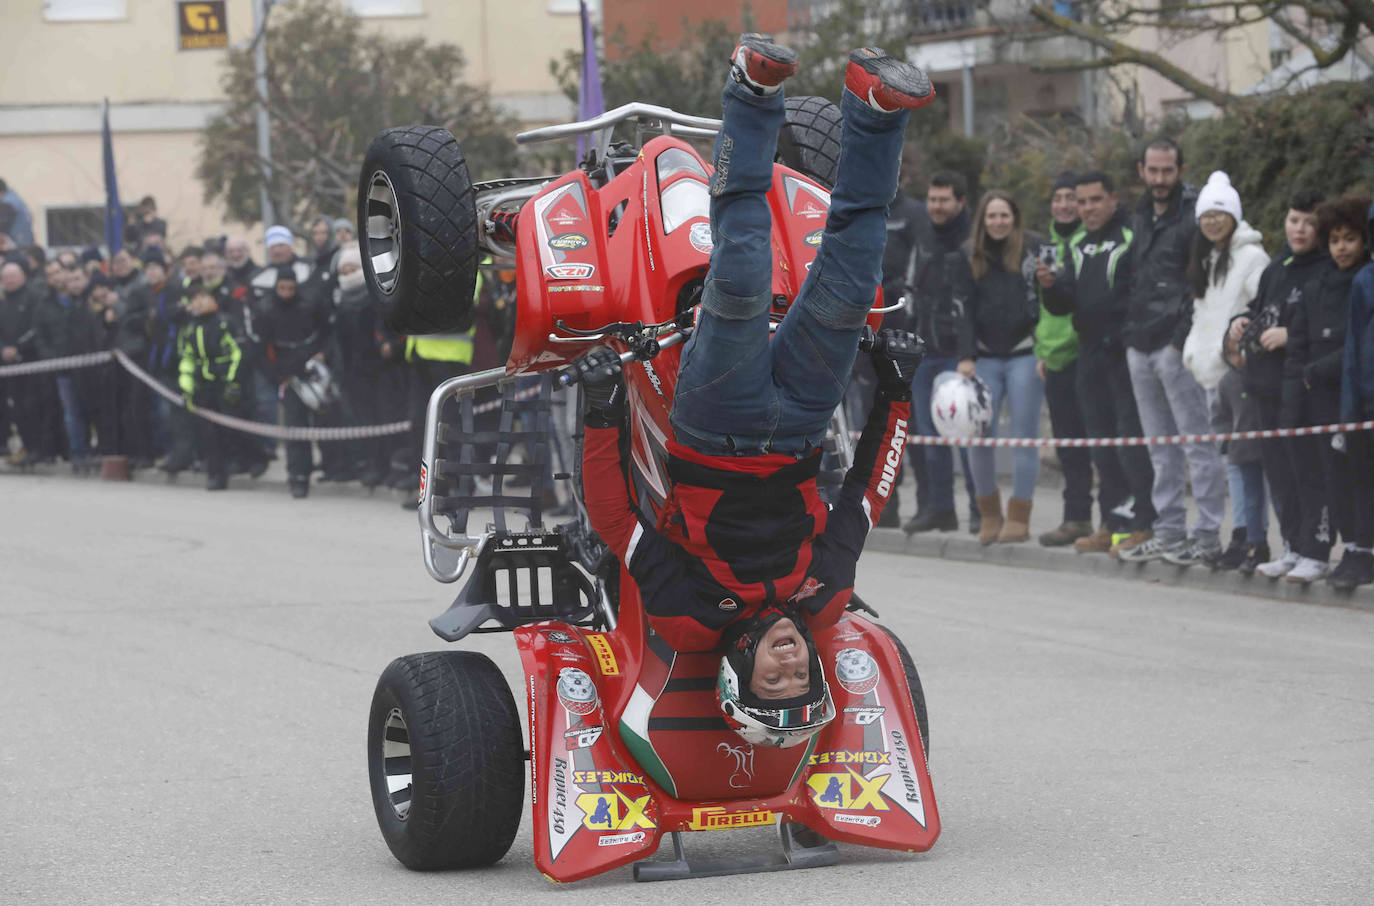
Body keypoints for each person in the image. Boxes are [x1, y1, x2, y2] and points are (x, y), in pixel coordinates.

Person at [576, 36, 931, 746]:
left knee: (737, 267)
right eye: (803, 678)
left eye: (775, 681)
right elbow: (866, 496)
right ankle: (873, 109)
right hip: (802, 421)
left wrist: (600, 410)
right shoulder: (825, 599)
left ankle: (751, 90)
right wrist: (895, 395)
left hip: (712, 421)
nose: (792, 664)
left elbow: (616, 522)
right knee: (854, 273)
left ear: (738, 671)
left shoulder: (692, 616)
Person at [1114, 138, 1227, 565]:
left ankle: (1208, 532)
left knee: (1197, 443)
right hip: (1139, 343)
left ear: (1180, 170)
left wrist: (1180, 340)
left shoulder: (1197, 215)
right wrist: (1130, 332)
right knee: (1160, 446)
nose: (1160, 179)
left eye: (1167, 171)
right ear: (1142, 170)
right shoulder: (1142, 214)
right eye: (1153, 171)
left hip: (1175, 346)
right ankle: (1170, 529)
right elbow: (1137, 277)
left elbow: (1201, 281)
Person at [1040, 171, 1157, 553]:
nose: (1087, 208)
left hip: (1123, 352)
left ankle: (1142, 523)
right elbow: (1065, 303)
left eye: (1094, 200)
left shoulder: (1132, 234)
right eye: (1082, 201)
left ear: (1113, 199)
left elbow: (1140, 290)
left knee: (1129, 441)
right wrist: (1051, 288)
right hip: (1088, 353)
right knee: (1100, 443)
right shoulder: (1075, 243)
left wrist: (1124, 334)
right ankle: (1112, 522)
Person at [1228, 189, 1328, 576]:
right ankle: (1291, 547)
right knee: (1279, 473)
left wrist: (1292, 335)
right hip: (1264, 386)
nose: (1299, 230)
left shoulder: (1325, 271)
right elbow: (1259, 312)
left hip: (1302, 388)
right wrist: (1238, 324)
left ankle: (1316, 552)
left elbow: (1331, 328)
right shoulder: (1277, 267)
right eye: (1293, 220)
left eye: (1308, 222)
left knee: (1308, 471)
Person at [1278, 194, 1373, 584]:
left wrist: (1320, 369)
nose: (1342, 247)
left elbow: (1353, 346)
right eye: (1334, 239)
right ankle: (1352, 547)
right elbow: (1307, 340)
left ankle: (1361, 549)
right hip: (1331, 400)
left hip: (1349, 396)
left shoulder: (1363, 280)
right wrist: (1304, 378)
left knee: (1358, 477)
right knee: (1340, 480)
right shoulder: (1321, 283)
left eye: (1350, 238)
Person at [1179, 171, 1270, 567]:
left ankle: (1254, 538)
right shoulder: (1207, 259)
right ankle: (1241, 536)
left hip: (1241, 373)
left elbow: (1261, 311)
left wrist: (1239, 353)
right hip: (1212, 375)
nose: (1213, 220)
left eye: (1221, 212)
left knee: (1246, 458)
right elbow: (1203, 315)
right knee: (1229, 455)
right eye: (1206, 214)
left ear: (1234, 215)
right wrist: (1194, 353)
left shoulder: (1253, 257)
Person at [950, 189, 1046, 543]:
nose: (998, 222)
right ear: (983, 220)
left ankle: (1019, 516)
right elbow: (961, 307)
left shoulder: (1034, 249)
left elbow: (1047, 300)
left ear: (1015, 218)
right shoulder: (967, 255)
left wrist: (1045, 348)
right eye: (992, 216)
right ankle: (989, 513)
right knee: (979, 438)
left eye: (1004, 215)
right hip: (983, 359)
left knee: (1024, 437)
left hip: (1025, 354)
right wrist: (965, 356)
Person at [902, 169, 977, 534]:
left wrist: (970, 352)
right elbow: (912, 289)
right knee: (930, 438)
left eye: (944, 200)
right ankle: (940, 509)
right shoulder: (923, 237)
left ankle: (981, 512)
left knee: (966, 438)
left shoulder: (973, 241)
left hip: (961, 356)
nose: (937, 206)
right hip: (926, 351)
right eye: (932, 199)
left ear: (960, 202)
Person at [1035, 171, 1098, 547]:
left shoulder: (1086, 243)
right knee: (1068, 445)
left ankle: (1107, 519)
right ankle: (1076, 518)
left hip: (1084, 353)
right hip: (1053, 358)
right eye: (1058, 198)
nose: (1064, 205)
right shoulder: (1046, 245)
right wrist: (1043, 349)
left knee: (1096, 442)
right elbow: (1043, 307)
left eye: (1071, 198)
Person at [257, 267, 333, 498]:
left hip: (314, 371)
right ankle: (298, 477)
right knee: (295, 427)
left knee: (325, 423)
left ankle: (332, 466)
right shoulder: (267, 310)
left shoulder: (310, 305)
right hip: (288, 377)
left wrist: (324, 355)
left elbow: (327, 332)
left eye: (291, 288)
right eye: (282, 288)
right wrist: (275, 376)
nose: (287, 293)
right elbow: (261, 348)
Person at [1335, 199, 1374, 589]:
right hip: (1367, 403)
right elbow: (1352, 348)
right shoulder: (1365, 280)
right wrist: (1349, 414)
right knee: (1363, 480)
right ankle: (1363, 551)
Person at [177, 280, 247, 491]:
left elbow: (238, 354)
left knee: (232, 428)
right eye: (193, 300)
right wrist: (187, 389)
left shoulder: (225, 323)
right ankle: (215, 473)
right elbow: (186, 361)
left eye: (202, 298)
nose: (198, 304)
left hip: (225, 384)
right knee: (208, 432)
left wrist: (233, 382)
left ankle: (243, 462)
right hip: (203, 387)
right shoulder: (190, 329)